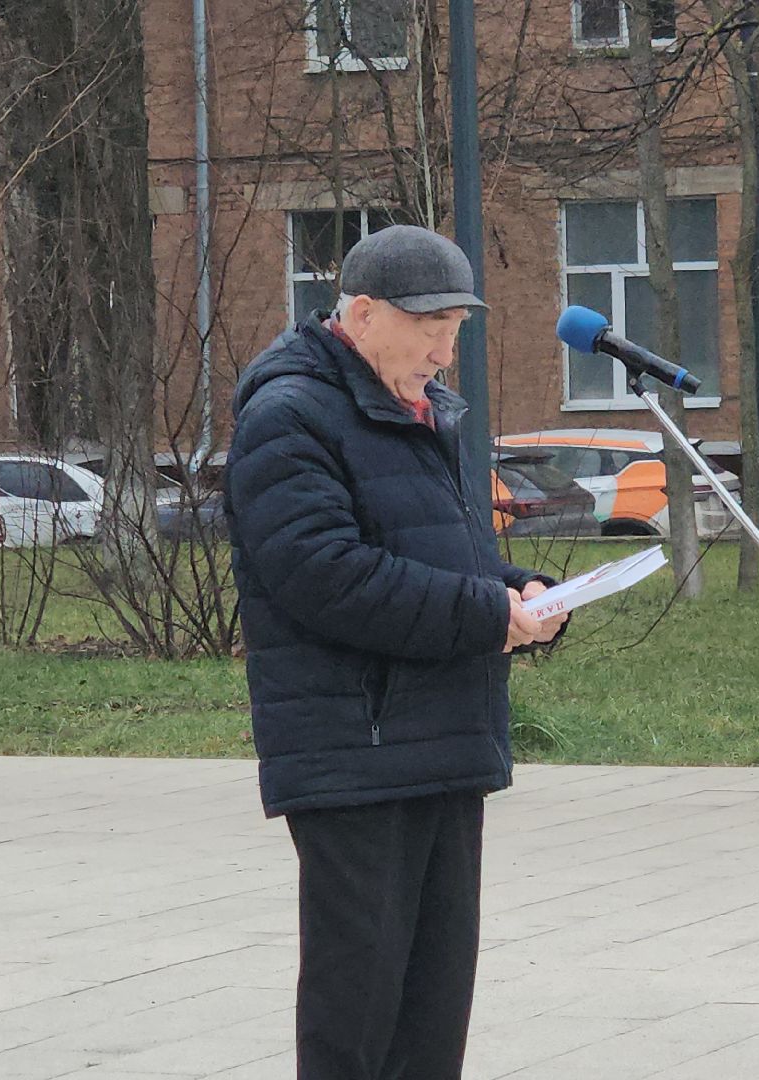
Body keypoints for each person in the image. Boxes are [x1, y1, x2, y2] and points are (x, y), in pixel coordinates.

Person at [226, 224, 567, 1080]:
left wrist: (520, 591)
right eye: (430, 329)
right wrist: (484, 613)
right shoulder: (288, 416)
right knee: (359, 1014)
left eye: (455, 330)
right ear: (363, 314)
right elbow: (325, 576)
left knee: (432, 1011)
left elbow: (432, 554)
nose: (445, 353)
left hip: (442, 740)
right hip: (357, 751)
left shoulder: (419, 413)